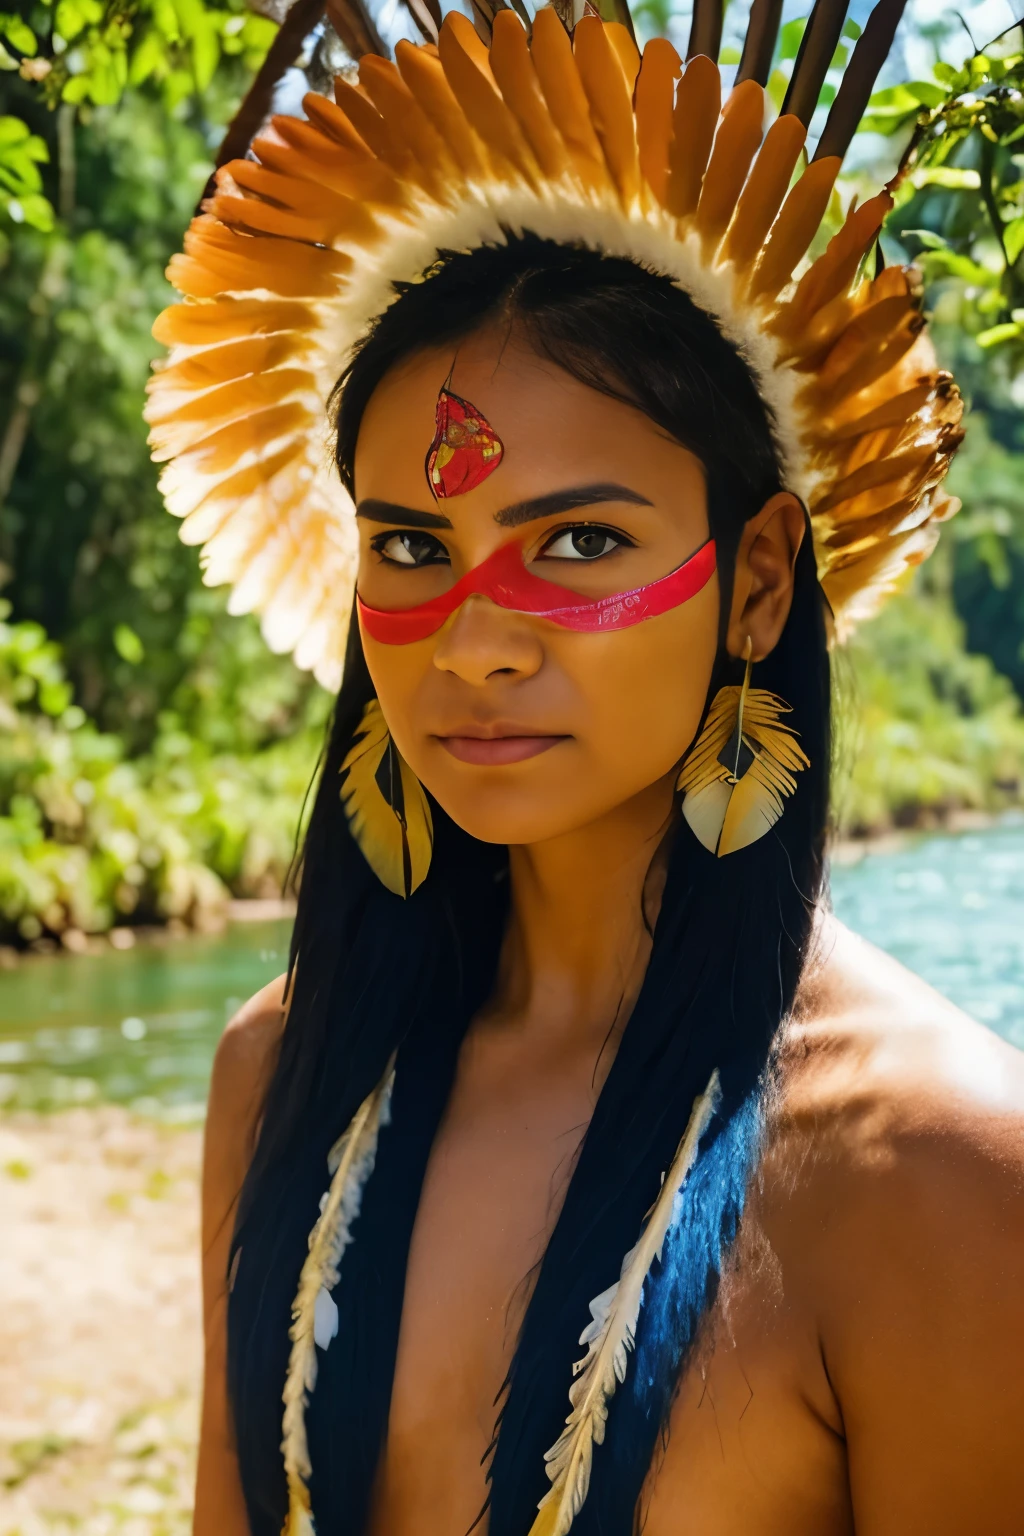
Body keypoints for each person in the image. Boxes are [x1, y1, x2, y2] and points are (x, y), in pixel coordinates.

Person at [147, 9, 1024, 1534]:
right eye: (415, 548)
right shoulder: (282, 1069)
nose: (476, 640)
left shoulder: (937, 1169)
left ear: (758, 582)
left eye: (578, 543)